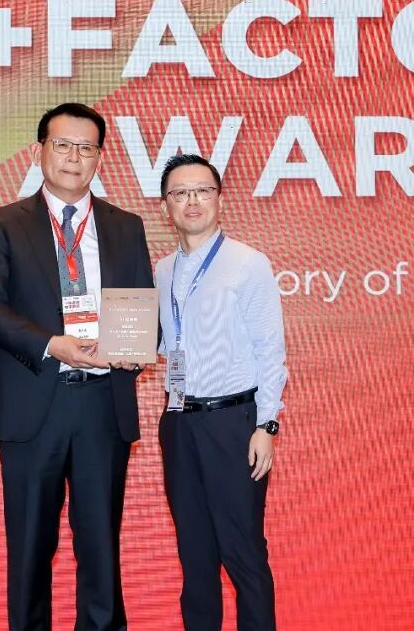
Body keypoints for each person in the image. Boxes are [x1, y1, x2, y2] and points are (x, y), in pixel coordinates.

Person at [0, 103, 154, 631]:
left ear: (100, 157)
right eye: (63, 145)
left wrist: (136, 347)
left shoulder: (126, 226)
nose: (74, 157)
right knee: (30, 546)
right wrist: (52, 344)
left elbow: (142, 307)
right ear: (39, 151)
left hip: (102, 404)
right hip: (34, 401)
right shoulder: (4, 223)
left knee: (100, 545)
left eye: (86, 147)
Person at [155, 154, 287, 631]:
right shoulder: (162, 270)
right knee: (194, 554)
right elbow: (165, 344)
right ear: (165, 206)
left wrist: (266, 425)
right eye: (180, 193)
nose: (192, 201)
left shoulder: (248, 264)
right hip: (178, 421)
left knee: (243, 552)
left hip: (234, 424)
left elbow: (271, 350)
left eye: (202, 191)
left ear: (219, 199)